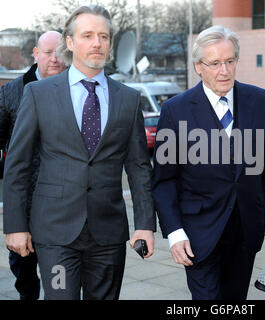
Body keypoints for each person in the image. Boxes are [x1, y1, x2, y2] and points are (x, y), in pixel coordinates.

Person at [3, 5, 155, 300]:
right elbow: (17, 164)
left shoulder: (128, 99)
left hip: (109, 235)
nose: (97, 43)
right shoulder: (39, 94)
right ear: (70, 43)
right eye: (87, 35)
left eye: (103, 36)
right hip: (55, 234)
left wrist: (146, 225)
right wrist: (15, 226)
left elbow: (139, 167)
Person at [152, 25, 265, 300]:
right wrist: (174, 232)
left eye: (230, 61)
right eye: (214, 63)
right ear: (198, 67)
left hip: (246, 225)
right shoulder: (175, 110)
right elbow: (164, 180)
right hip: (198, 230)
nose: (224, 70)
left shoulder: (258, 99)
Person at [0, 30, 66, 300]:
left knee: (61, 277)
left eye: (60, 53)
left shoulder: (78, 90)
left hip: (63, 204)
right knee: (25, 271)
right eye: (48, 52)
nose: (54, 59)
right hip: (25, 204)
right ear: (36, 54)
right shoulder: (12, 92)